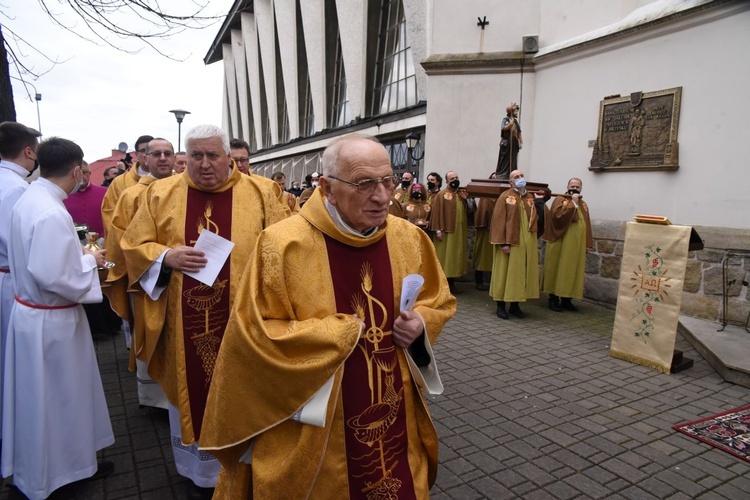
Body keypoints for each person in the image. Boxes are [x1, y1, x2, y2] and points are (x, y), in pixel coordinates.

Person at [200, 133, 456, 499]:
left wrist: (421, 324)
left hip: (394, 412)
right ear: (327, 187)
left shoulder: (409, 238)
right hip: (316, 421)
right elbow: (253, 334)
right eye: (365, 184)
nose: (382, 196)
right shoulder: (282, 244)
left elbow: (438, 299)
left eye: (386, 181)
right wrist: (335, 334)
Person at [121, 125, 288, 498]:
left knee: (243, 392)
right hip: (182, 323)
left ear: (229, 156)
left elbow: (285, 249)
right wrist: (165, 256)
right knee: (192, 390)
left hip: (244, 321)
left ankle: (243, 468)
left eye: (213, 155)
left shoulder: (263, 192)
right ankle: (198, 474)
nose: (204, 164)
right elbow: (133, 245)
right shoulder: (160, 194)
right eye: (195, 155)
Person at [2, 137, 114, 499]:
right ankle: (60, 473)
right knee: (59, 401)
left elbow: (41, 257)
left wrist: (75, 252)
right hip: (52, 323)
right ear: (77, 169)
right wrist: (91, 261)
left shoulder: (32, 198)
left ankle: (66, 464)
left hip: (34, 316)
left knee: (48, 400)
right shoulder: (50, 211)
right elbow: (55, 276)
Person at [106, 138, 176, 410]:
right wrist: (123, 272)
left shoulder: (185, 191)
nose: (162, 158)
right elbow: (118, 240)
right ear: (143, 158)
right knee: (151, 334)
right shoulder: (131, 195)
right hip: (146, 279)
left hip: (183, 277)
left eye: (167, 154)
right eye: (155, 153)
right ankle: (155, 400)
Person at [0, 122, 42, 448]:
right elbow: (26, 246)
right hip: (13, 280)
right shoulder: (16, 190)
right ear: (28, 151)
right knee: (15, 366)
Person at [100, 134, 153, 350]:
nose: (151, 156)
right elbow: (111, 217)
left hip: (159, 255)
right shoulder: (120, 184)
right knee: (133, 309)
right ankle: (134, 346)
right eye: (146, 151)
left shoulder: (174, 180)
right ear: (138, 155)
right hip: (128, 255)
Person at [63, 160, 120, 337]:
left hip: (103, 245)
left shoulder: (104, 192)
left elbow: (113, 218)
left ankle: (111, 324)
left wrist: (103, 239)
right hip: (77, 248)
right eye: (83, 172)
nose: (85, 176)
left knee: (105, 284)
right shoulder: (64, 197)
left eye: (88, 173)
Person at [489, 169, 545, 319]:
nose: (520, 178)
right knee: (505, 273)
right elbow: (499, 220)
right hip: (509, 241)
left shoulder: (530, 197)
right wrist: (503, 243)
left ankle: (515, 305)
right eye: (516, 177)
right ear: (510, 182)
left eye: (521, 175)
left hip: (526, 243)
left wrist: (539, 202)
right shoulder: (505, 197)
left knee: (520, 274)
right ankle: (500, 305)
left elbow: (539, 220)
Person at [542, 178, 593, 312]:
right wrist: (573, 204)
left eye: (577, 186)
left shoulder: (584, 204)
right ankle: (553, 299)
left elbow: (586, 224)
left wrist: (587, 243)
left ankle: (567, 299)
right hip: (561, 242)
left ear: (581, 188)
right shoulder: (560, 199)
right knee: (558, 269)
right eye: (572, 185)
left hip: (576, 245)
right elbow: (557, 217)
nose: (575, 188)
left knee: (571, 271)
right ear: (567, 186)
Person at [429, 170, 471, 292]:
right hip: (446, 231)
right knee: (445, 257)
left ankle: (452, 283)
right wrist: (438, 230)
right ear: (447, 181)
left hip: (459, 231)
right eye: (452, 178)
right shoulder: (441, 195)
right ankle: (443, 284)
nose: (455, 180)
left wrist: (468, 199)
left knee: (455, 258)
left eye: (456, 177)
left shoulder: (461, 194)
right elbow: (436, 213)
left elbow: (470, 210)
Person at [230, 138, 290, 215]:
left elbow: (284, 216)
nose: (239, 165)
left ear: (249, 161)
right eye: (234, 160)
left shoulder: (269, 186)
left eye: (243, 160)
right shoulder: (219, 189)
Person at [473, 172, 498, 291]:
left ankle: (493, 281)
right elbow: (482, 212)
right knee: (482, 255)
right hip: (484, 230)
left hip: (496, 232)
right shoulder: (485, 196)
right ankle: (479, 280)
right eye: (493, 179)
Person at [495, 103, 524, 179]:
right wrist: (510, 124)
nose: (516, 113)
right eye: (515, 111)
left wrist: (521, 142)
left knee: (513, 160)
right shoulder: (506, 120)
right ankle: (503, 173)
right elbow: (503, 128)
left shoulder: (516, 121)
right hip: (507, 143)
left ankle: (512, 173)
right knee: (505, 160)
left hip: (514, 144)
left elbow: (519, 132)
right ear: (511, 112)